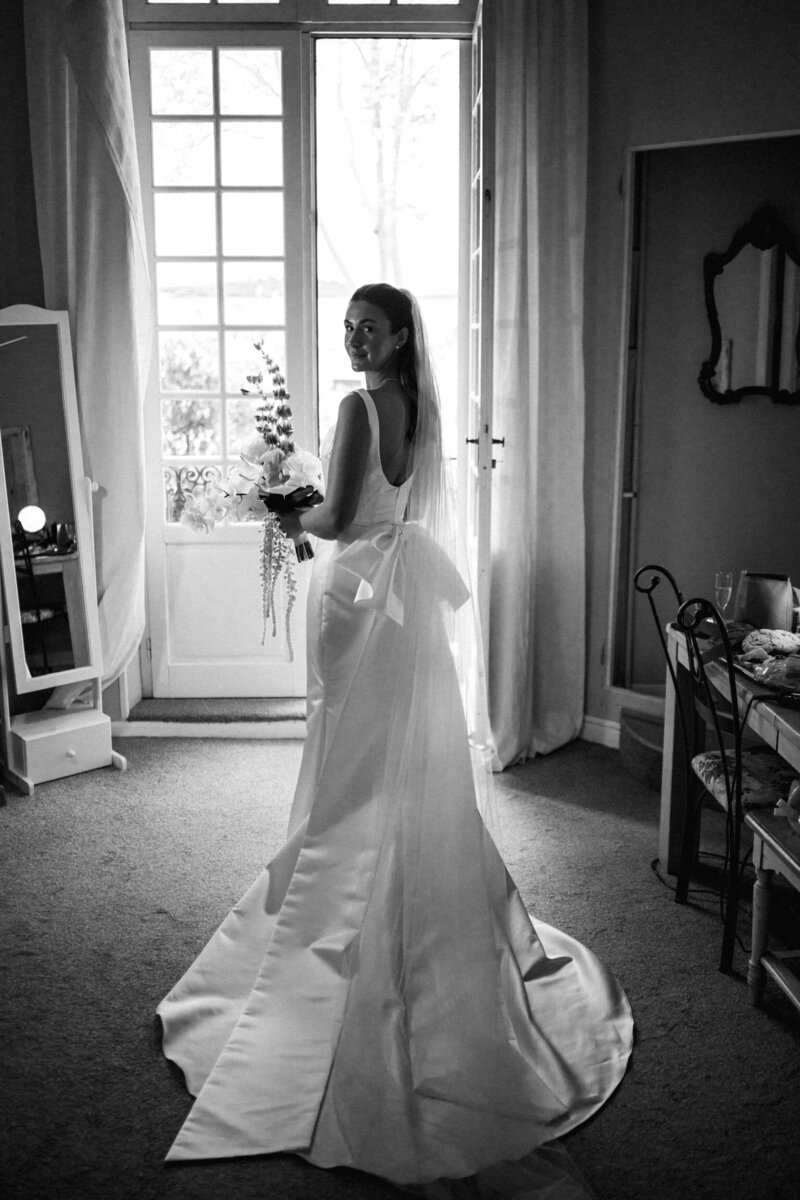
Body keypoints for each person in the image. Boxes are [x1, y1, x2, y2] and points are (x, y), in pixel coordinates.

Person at [157, 284, 633, 1191]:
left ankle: (343, 923)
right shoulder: (423, 405)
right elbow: (393, 501)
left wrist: (280, 504)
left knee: (349, 763)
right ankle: (407, 900)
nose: (353, 337)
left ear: (401, 333)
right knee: (406, 756)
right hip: (407, 598)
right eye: (348, 326)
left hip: (358, 594)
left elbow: (336, 518)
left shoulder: (356, 404)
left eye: (367, 327)